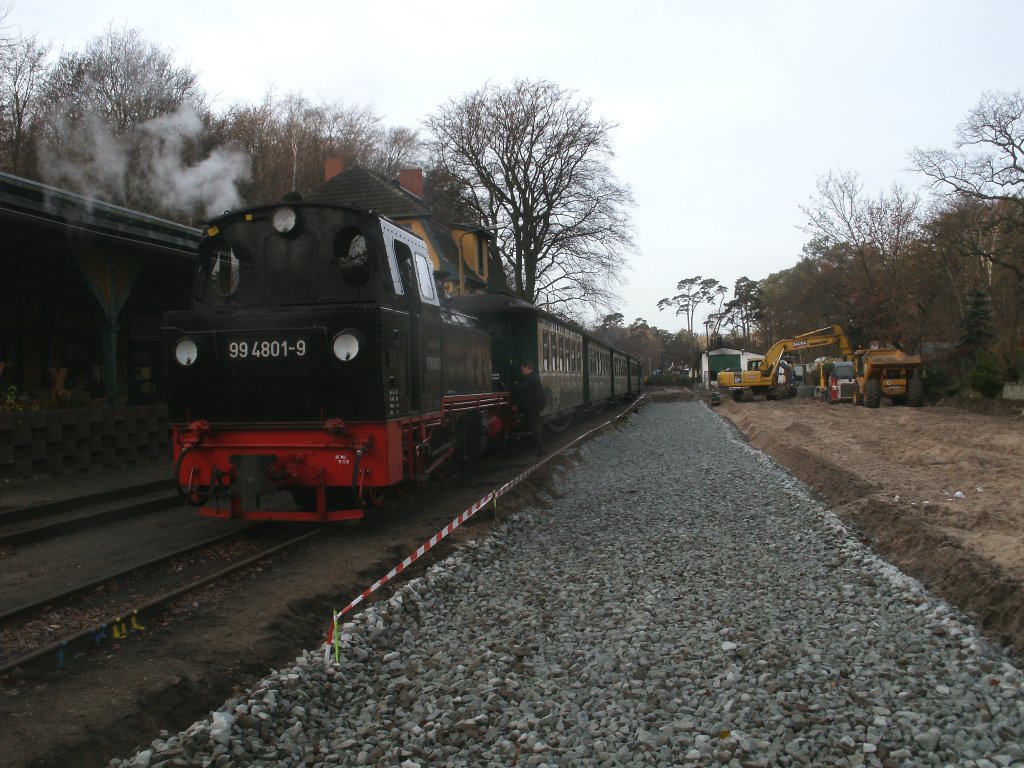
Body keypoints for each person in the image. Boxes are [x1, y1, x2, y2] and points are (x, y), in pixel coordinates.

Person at [519, 360, 547, 455]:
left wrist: (516, 384)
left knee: (534, 427)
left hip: (535, 405)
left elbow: (523, 388)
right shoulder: (534, 376)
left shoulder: (531, 378)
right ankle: (538, 446)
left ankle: (541, 448)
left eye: (523, 370)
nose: (522, 372)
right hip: (537, 404)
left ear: (527, 368)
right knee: (533, 425)